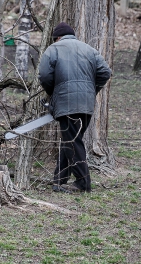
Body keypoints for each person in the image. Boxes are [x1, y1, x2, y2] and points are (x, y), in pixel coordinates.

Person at [39, 22, 112, 193]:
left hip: (66, 103)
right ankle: (59, 179)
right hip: (86, 104)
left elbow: (44, 75)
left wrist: (53, 93)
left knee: (72, 142)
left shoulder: (54, 49)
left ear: (57, 37)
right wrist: (91, 90)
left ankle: (83, 183)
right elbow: (105, 72)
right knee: (71, 140)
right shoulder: (89, 49)